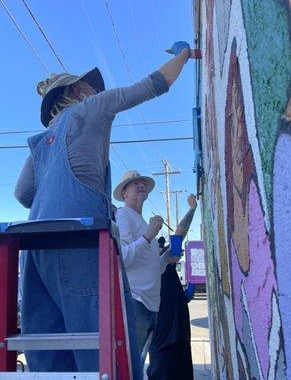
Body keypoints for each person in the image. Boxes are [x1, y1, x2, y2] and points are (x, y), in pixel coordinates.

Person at [14, 41, 192, 374]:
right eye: (90, 86)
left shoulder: (40, 143)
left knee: (51, 358)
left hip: (35, 250)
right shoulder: (92, 107)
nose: (95, 90)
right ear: (78, 91)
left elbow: (24, 194)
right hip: (78, 245)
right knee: (101, 354)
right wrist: (183, 55)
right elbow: (154, 85)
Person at [113, 170, 180, 354]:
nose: (141, 185)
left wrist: (166, 259)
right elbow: (122, 258)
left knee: (137, 362)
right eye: (135, 183)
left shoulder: (141, 221)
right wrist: (149, 235)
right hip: (135, 301)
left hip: (151, 306)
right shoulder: (123, 215)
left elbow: (152, 268)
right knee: (129, 362)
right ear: (124, 193)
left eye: (143, 183)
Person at [147, 194, 197, 380]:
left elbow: (178, 237)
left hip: (181, 338)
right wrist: (192, 209)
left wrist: (187, 295)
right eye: (158, 245)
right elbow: (179, 235)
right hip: (163, 342)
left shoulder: (167, 264)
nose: (162, 247)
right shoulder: (154, 266)